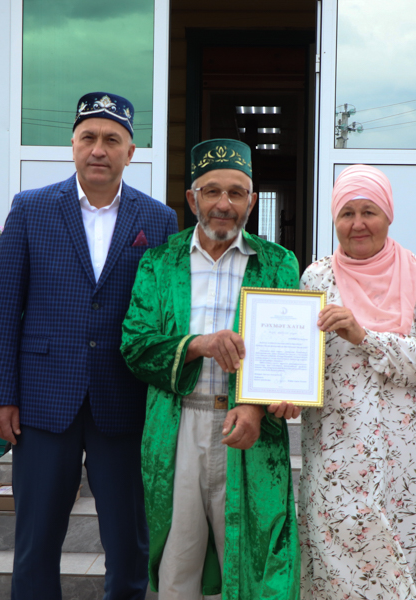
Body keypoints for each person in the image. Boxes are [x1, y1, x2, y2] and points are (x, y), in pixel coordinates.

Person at [0, 92, 178, 600]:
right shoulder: (30, 209)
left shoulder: (159, 220)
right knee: (35, 542)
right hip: (44, 401)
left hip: (125, 402)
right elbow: (4, 309)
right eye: (88, 137)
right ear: (71, 145)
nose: (98, 149)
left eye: (112, 139)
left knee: (129, 543)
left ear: (130, 152)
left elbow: (164, 315)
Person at [121, 139, 301, 600]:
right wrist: (198, 345)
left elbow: (289, 353)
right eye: (212, 191)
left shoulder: (277, 263)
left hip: (251, 432)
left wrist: (256, 408)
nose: (224, 204)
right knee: (177, 561)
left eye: (237, 193)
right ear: (192, 198)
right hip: (178, 424)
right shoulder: (160, 263)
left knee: (254, 560)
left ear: (252, 202)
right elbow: (135, 346)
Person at [297, 165, 416, 600]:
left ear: (388, 215)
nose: (358, 224)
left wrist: (363, 336)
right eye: (346, 213)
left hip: (408, 461)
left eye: (369, 212)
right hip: (336, 456)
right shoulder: (317, 278)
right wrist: (282, 393)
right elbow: (300, 359)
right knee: (336, 571)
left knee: (403, 566)